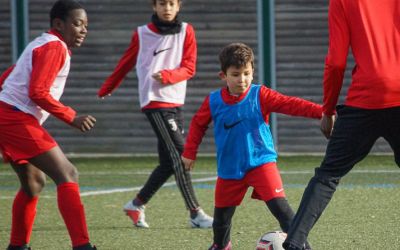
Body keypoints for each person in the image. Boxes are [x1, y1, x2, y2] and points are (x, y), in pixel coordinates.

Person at [283, 0, 400, 249]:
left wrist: (328, 110)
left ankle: (294, 241)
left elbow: (336, 62)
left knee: (328, 175)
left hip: (364, 101)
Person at [181, 43, 321, 250]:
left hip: (261, 163)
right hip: (230, 169)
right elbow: (198, 124)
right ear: (223, 76)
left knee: (283, 211)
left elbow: (291, 104)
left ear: (253, 72)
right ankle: (221, 246)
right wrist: (190, 152)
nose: (242, 79)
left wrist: (323, 112)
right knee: (221, 222)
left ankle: (303, 247)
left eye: (246, 73)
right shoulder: (213, 101)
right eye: (235, 74)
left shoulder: (260, 95)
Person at [97, 0, 213, 228]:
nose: (166, 8)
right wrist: (107, 87)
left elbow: (189, 67)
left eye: (171, 3)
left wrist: (169, 75)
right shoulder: (141, 34)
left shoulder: (187, 31)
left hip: (175, 102)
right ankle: (195, 214)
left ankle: (136, 204)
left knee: (169, 163)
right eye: (162, 3)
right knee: (181, 155)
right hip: (154, 101)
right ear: (154, 6)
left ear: (179, 6)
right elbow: (125, 63)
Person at [0, 1, 97, 249]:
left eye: (86, 25)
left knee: (33, 183)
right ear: (58, 24)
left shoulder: (41, 43)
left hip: (8, 116)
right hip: (14, 117)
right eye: (77, 24)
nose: (84, 30)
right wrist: (71, 117)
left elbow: (10, 75)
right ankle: (82, 246)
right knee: (68, 173)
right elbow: (38, 92)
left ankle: (17, 246)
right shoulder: (55, 47)